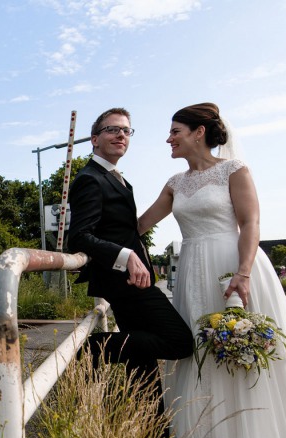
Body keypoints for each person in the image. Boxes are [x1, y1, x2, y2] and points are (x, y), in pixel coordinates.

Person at [138, 102, 286, 438]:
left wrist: (243, 273)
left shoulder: (234, 169)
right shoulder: (174, 182)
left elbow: (251, 223)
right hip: (193, 270)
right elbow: (141, 224)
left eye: (175, 130)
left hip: (233, 267)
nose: (168, 138)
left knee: (239, 351)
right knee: (200, 352)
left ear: (199, 132)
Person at [66, 108, 194, 408]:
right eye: (112, 129)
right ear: (95, 139)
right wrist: (126, 255)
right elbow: (80, 236)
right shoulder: (90, 179)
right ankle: (93, 349)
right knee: (179, 341)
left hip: (133, 279)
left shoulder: (119, 179)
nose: (121, 134)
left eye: (126, 130)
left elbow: (124, 229)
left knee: (142, 361)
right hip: (122, 282)